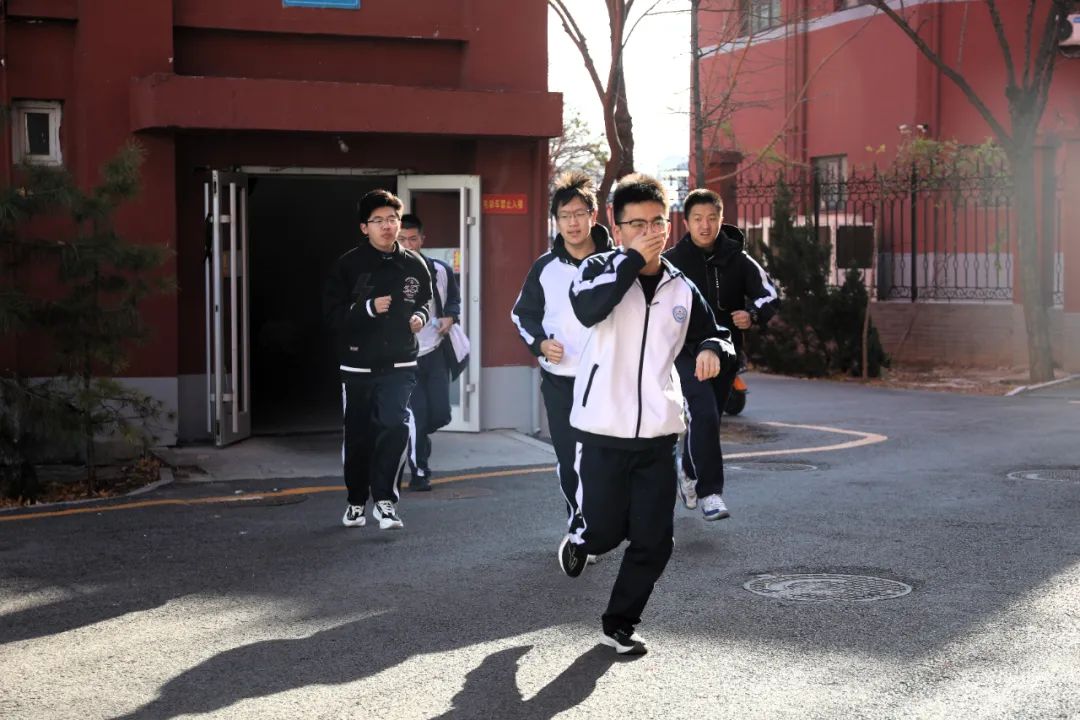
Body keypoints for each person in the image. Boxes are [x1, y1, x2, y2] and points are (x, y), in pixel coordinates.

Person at [558, 174, 735, 655]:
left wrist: (712, 349)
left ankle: (619, 624)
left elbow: (714, 331)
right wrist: (632, 259)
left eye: (657, 222)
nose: (650, 231)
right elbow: (589, 309)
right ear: (617, 228)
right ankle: (583, 539)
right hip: (602, 430)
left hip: (657, 433)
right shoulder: (596, 269)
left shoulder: (680, 287)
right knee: (604, 531)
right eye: (637, 224)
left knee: (655, 540)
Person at [663, 188, 779, 520]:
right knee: (704, 413)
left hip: (726, 352)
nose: (705, 225)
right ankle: (710, 493)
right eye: (698, 219)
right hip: (686, 352)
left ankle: (688, 470)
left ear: (721, 219)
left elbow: (769, 295)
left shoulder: (738, 259)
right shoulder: (671, 263)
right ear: (686, 222)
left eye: (712, 218)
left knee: (709, 419)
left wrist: (752, 315)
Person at [323, 189, 432, 530]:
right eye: (379, 220)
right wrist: (368, 308)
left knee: (394, 425)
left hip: (400, 362)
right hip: (357, 364)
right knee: (358, 435)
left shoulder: (414, 263)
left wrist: (421, 317)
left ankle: (385, 501)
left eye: (392, 219)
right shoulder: (348, 265)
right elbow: (332, 315)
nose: (387, 226)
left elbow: (425, 301)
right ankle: (356, 500)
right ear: (364, 227)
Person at [510, 171, 613, 534]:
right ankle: (580, 524)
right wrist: (540, 344)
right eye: (565, 215)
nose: (573, 222)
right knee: (570, 458)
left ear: (593, 216)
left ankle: (606, 518)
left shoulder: (616, 263)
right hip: (561, 381)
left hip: (607, 379)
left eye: (580, 213)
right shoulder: (545, 267)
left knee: (603, 459)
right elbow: (522, 314)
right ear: (555, 220)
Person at [396, 213, 461, 491]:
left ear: (422, 239)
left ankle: (419, 436)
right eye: (402, 240)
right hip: (404, 357)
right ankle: (420, 473)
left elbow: (454, 300)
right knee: (418, 416)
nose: (408, 245)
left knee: (441, 414)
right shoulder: (386, 273)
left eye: (413, 239)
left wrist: (451, 317)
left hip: (435, 352)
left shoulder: (440, 270)